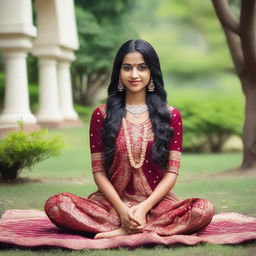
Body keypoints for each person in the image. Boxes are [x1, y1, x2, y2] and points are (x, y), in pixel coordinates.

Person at [44, 39, 214, 239]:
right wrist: (123, 210)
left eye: (142, 68)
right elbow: (98, 171)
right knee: (56, 205)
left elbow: (172, 172)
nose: (134, 75)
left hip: (157, 206)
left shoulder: (170, 116)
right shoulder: (102, 115)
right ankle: (140, 227)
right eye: (127, 68)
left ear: (151, 72)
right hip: (111, 205)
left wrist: (143, 208)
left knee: (203, 209)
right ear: (119, 73)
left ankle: (124, 230)